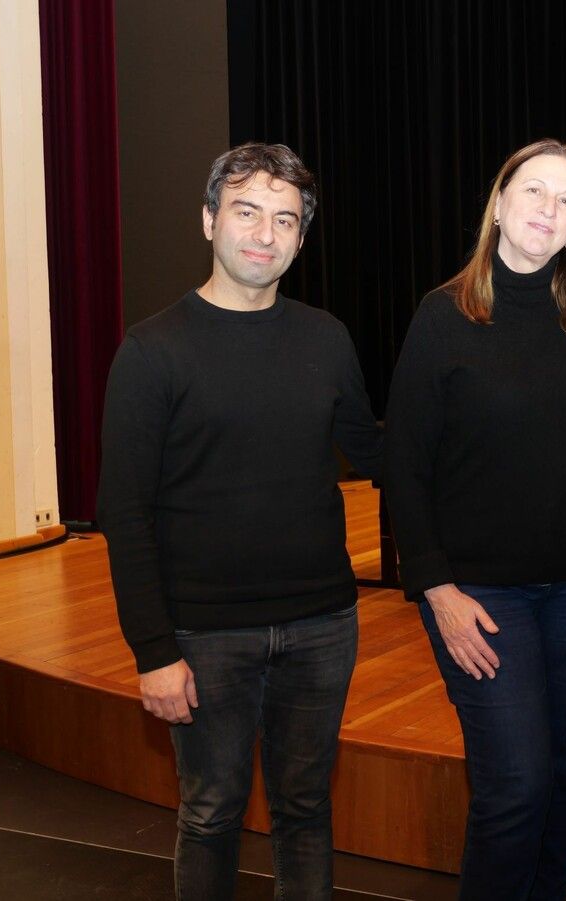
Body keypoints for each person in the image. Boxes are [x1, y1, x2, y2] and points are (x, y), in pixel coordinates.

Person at [383, 138, 566, 901]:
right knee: (515, 782)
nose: (548, 210)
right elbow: (405, 467)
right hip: (484, 597)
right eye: (535, 191)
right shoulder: (443, 316)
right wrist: (435, 589)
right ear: (501, 201)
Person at [98, 143, 385, 900]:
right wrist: (153, 651)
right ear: (208, 220)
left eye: (284, 218)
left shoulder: (326, 338)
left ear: (300, 237)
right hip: (204, 636)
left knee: (306, 808)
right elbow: (122, 514)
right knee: (212, 811)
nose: (265, 232)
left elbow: (379, 454)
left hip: (323, 626)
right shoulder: (151, 351)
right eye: (247, 211)